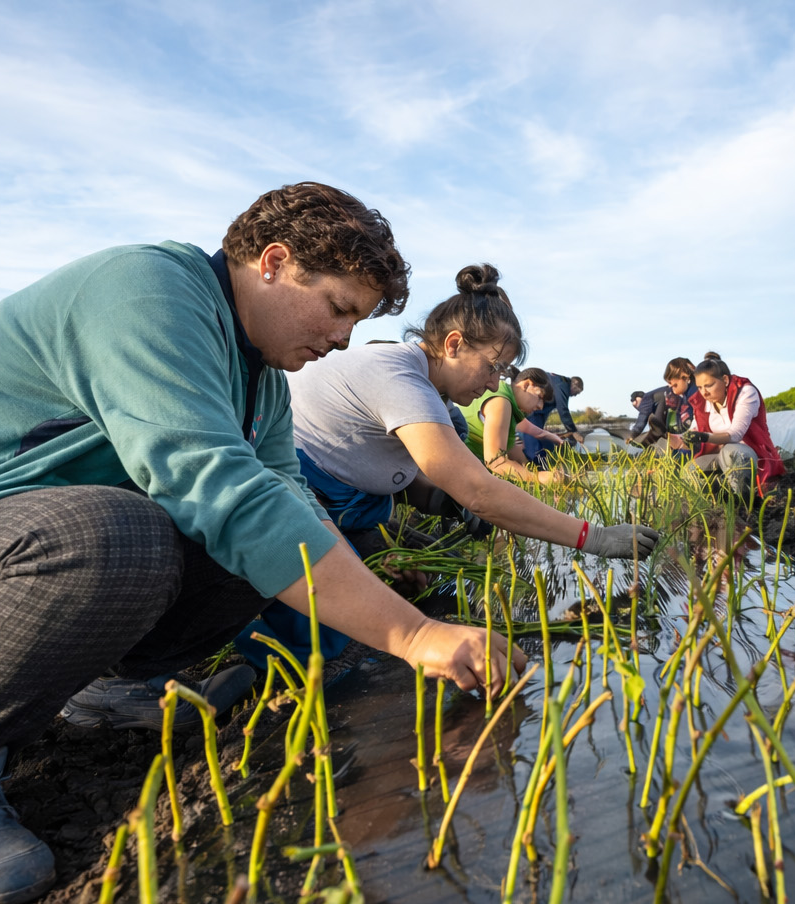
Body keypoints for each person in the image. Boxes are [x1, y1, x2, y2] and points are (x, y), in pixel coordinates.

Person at [0, 182, 528, 904]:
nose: (340, 341)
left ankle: (91, 685)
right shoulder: (146, 291)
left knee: (274, 541)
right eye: (337, 309)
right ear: (272, 262)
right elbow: (217, 489)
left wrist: (372, 644)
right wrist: (415, 634)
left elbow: (287, 508)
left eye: (355, 324)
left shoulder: (259, 381)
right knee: (118, 537)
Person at [239, 265, 659, 669]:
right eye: (493, 367)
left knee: (422, 577)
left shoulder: (433, 394)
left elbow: (392, 471)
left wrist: (443, 502)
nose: (494, 384)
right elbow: (480, 489)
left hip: (353, 505)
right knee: (330, 630)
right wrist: (595, 536)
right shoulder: (400, 378)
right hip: (299, 499)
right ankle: (252, 669)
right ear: (454, 344)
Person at [681, 353, 784, 498]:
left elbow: (735, 434)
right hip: (718, 454)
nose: (704, 392)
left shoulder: (745, 393)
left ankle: (745, 501)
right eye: (699, 387)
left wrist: (704, 437)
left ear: (725, 380)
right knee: (689, 470)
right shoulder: (703, 402)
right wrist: (684, 439)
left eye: (709, 385)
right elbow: (694, 428)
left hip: (748, 452)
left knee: (733, 452)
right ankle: (718, 497)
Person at [461, 368, 565, 484]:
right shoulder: (501, 402)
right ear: (526, 385)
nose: (540, 407)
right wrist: (539, 478)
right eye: (540, 397)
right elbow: (496, 462)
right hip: (462, 469)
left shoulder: (509, 402)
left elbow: (517, 443)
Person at [630, 357, 697, 447]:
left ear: (685, 377)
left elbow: (642, 417)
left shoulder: (694, 394)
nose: (670, 386)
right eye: (669, 383)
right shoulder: (681, 392)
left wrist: (633, 434)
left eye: (674, 384)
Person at [522, 371, 583, 463]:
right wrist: (573, 431)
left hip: (537, 410)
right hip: (532, 407)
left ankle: (542, 461)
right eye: (577, 392)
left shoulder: (558, 382)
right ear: (574, 384)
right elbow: (562, 409)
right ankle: (537, 465)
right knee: (532, 437)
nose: (575, 395)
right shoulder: (563, 384)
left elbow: (546, 410)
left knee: (541, 438)